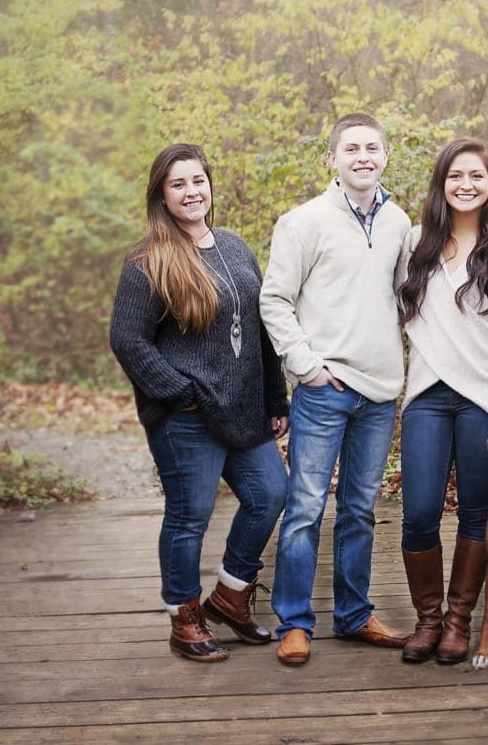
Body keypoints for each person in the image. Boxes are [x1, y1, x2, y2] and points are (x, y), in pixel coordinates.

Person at [110, 143, 289, 663]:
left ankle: (231, 595)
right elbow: (129, 339)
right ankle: (184, 617)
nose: (192, 192)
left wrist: (275, 398)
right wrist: (176, 391)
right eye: (178, 184)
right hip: (185, 417)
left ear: (211, 186)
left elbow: (259, 332)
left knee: (270, 493)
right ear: (162, 197)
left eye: (198, 181)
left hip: (243, 408)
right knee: (191, 515)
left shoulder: (234, 247)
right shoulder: (149, 260)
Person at [260, 113, 412, 666]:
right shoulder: (303, 222)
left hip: (378, 393)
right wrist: (307, 367)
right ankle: (294, 622)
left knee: (360, 510)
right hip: (324, 388)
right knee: (304, 508)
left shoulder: (399, 222)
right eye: (351, 149)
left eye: (373, 147)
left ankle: (353, 614)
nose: (363, 157)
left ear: (387, 156)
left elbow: (405, 298)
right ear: (332, 159)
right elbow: (274, 300)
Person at [396, 137, 488, 664]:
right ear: (441, 183)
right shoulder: (414, 244)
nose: (466, 185)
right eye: (456, 176)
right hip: (428, 397)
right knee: (419, 513)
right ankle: (428, 620)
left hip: (487, 398)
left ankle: (458, 622)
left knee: (478, 512)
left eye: (476, 176)